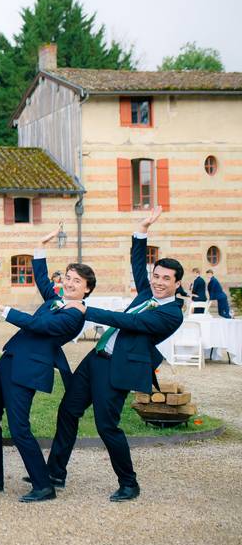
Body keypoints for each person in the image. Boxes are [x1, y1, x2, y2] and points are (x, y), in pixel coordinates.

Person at [53, 207, 184, 502]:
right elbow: (139, 263)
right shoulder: (146, 294)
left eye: (166, 279)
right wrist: (142, 230)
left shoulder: (172, 314)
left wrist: (86, 309)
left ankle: (129, 483)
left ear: (177, 284)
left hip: (118, 368)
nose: (159, 281)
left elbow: (132, 323)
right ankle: (55, 472)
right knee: (68, 411)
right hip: (95, 359)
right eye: (157, 276)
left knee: (106, 426)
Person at [0, 226, 91, 503]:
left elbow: (39, 325)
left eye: (77, 281)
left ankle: (43, 485)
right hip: (10, 358)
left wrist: (3, 309)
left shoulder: (75, 315)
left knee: (19, 428)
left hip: (30, 368)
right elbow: (41, 278)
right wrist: (40, 246)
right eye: (69, 278)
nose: (71, 283)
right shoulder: (56, 301)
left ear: (87, 289)